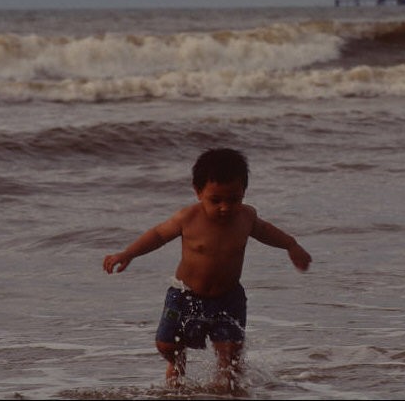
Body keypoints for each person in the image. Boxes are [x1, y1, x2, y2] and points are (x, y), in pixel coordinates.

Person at [103, 148, 312, 389]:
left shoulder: (246, 217)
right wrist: (128, 253)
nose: (225, 207)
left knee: (230, 353)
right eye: (216, 200)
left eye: (234, 199)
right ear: (198, 191)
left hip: (229, 297)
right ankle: (177, 365)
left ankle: (227, 389)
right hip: (185, 295)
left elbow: (266, 231)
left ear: (244, 192)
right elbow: (159, 235)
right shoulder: (188, 218)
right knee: (166, 345)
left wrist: (291, 245)